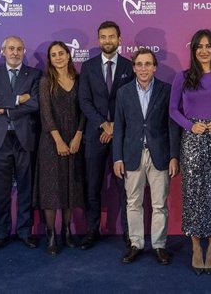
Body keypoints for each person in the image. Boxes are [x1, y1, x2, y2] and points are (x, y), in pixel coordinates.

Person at [169, 29, 211, 275]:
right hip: (192, 141)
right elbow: (173, 110)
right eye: (199, 46)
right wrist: (189, 125)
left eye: (208, 46)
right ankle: (196, 247)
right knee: (194, 195)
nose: (204, 50)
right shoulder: (182, 77)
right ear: (194, 50)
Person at [113, 49, 180, 265]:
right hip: (131, 154)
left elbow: (172, 126)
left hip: (159, 153)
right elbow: (119, 128)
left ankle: (159, 245)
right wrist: (117, 158)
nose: (143, 68)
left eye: (147, 64)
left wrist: (174, 156)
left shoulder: (166, 90)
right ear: (133, 68)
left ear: (155, 67)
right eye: (139, 64)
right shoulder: (123, 93)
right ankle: (136, 244)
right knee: (133, 202)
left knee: (159, 203)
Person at [78, 21, 134, 250]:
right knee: (93, 185)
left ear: (119, 39)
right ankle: (92, 230)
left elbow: (131, 102)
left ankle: (130, 234)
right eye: (103, 36)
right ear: (98, 39)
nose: (107, 40)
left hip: (122, 136)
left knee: (125, 187)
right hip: (95, 135)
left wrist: (114, 127)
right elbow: (84, 100)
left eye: (112, 36)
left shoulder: (130, 67)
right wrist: (104, 125)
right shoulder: (88, 67)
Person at [0, 36, 41, 250]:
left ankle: (25, 231)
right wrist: (18, 100)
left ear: (23, 51)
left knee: (26, 187)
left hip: (24, 138)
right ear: (3, 50)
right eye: (10, 48)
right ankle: (1, 233)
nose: (15, 52)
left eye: (18, 49)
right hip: (0, 140)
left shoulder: (34, 74)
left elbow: (35, 103)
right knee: (0, 190)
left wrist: (6, 108)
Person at [36, 41, 86, 255]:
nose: (58, 57)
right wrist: (58, 141)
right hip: (51, 142)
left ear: (68, 55)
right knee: (51, 189)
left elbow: (85, 110)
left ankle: (66, 232)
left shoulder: (80, 79)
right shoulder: (46, 81)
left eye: (61, 53)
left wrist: (77, 137)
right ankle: (51, 235)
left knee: (69, 188)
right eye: (53, 54)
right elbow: (45, 114)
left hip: (75, 140)